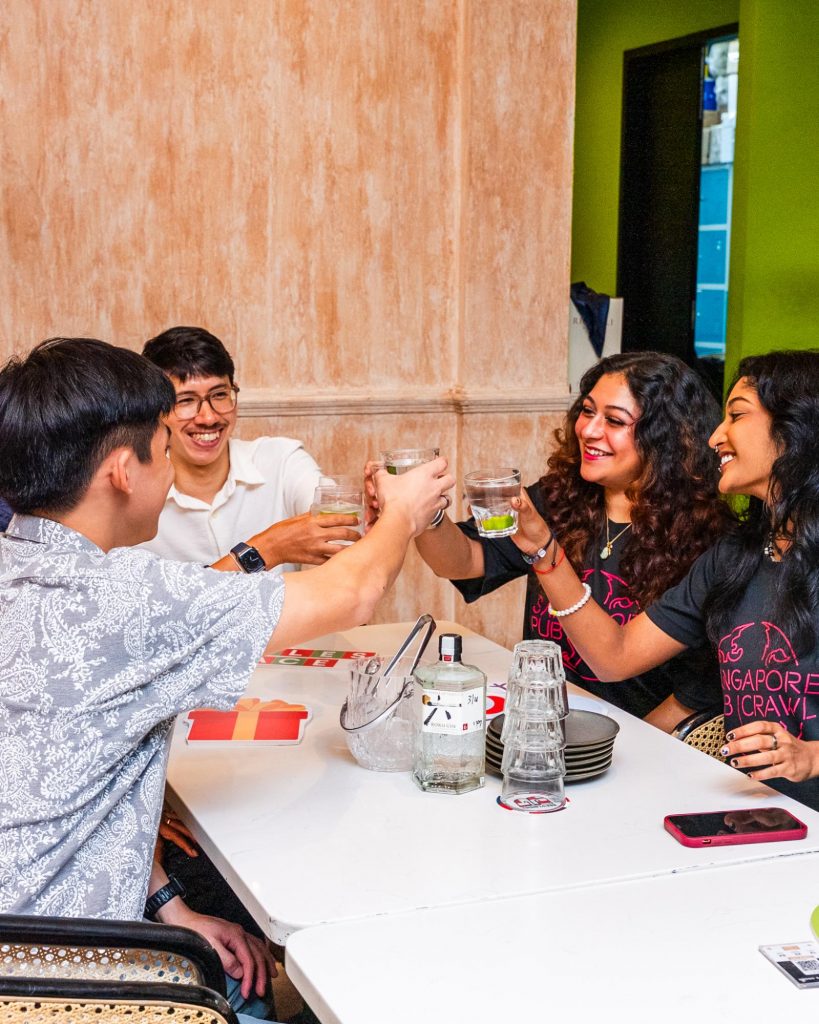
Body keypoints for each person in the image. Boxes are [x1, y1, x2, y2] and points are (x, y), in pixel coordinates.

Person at [0, 337, 453, 1018]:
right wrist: (404, 512)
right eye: (163, 446)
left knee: (248, 973)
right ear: (122, 470)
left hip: (30, 935)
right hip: (64, 980)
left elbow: (76, 790)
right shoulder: (124, 597)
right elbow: (352, 594)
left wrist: (169, 905)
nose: (171, 468)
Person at [521, 349, 819, 811]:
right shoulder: (735, 556)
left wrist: (811, 757)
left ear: (796, 431)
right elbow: (615, 656)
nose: (716, 437)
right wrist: (545, 551)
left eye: (738, 416)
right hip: (753, 814)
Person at [410, 352, 733, 730]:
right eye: (587, 411)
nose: (589, 431)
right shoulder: (561, 497)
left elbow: (696, 695)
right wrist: (424, 512)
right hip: (544, 725)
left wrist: (615, 747)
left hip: (630, 739)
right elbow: (463, 561)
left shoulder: (708, 539)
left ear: (667, 437)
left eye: (614, 420)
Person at [141, 325, 359, 570]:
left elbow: (343, 538)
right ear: (155, 410)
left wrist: (382, 513)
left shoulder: (282, 461)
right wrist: (269, 548)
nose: (208, 417)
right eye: (186, 400)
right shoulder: (135, 497)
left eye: (219, 395)